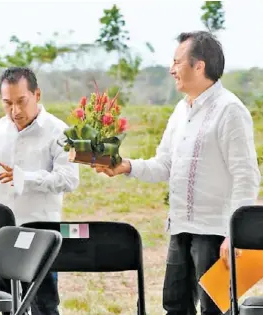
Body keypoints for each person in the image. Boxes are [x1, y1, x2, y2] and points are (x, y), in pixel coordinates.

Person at [95, 31, 261, 315]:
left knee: (214, 309)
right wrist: (126, 166)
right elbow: (165, 165)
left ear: (199, 66)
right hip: (181, 226)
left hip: (215, 232)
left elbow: (246, 175)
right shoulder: (180, 112)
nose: (171, 69)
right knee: (174, 305)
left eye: (176, 62)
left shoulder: (230, 111)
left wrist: (236, 236)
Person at [0, 66, 80, 315]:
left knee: (44, 307)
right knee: (8, 305)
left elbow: (70, 179)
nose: (15, 111)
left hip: (41, 234)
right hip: (3, 235)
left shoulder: (59, 131)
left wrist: (24, 178)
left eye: (21, 102)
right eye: (7, 103)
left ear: (37, 95)